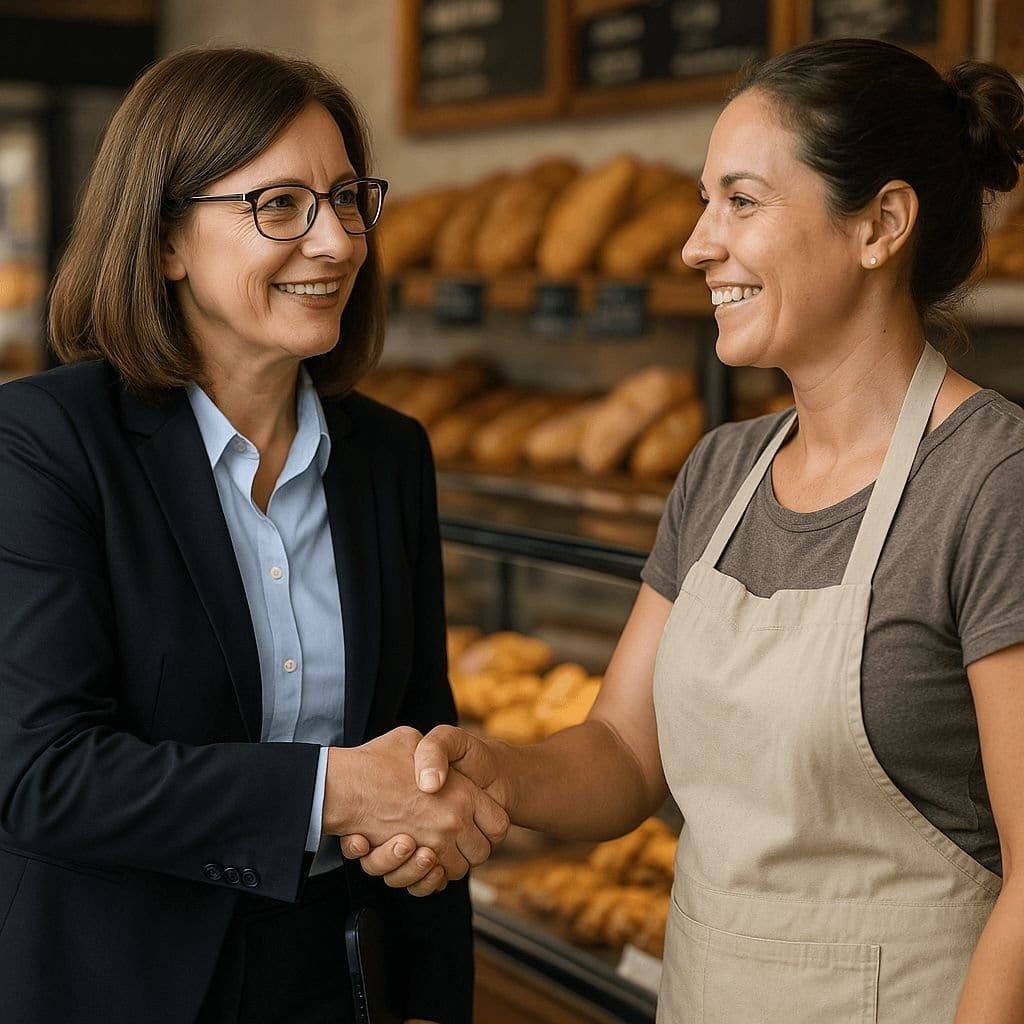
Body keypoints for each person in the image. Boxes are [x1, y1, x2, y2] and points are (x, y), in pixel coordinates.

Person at [349, 38, 1024, 1022]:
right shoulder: (721, 471)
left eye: (740, 201)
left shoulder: (989, 479)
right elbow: (625, 754)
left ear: (879, 223)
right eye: (706, 201)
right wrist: (496, 766)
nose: (695, 243)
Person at [0, 47, 508, 1024]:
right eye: (280, 205)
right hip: (109, 982)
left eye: (349, 197)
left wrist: (435, 997)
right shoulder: (46, 444)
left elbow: (416, 746)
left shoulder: (389, 455)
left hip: (331, 981)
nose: (337, 241)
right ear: (163, 242)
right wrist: (333, 792)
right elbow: (40, 772)